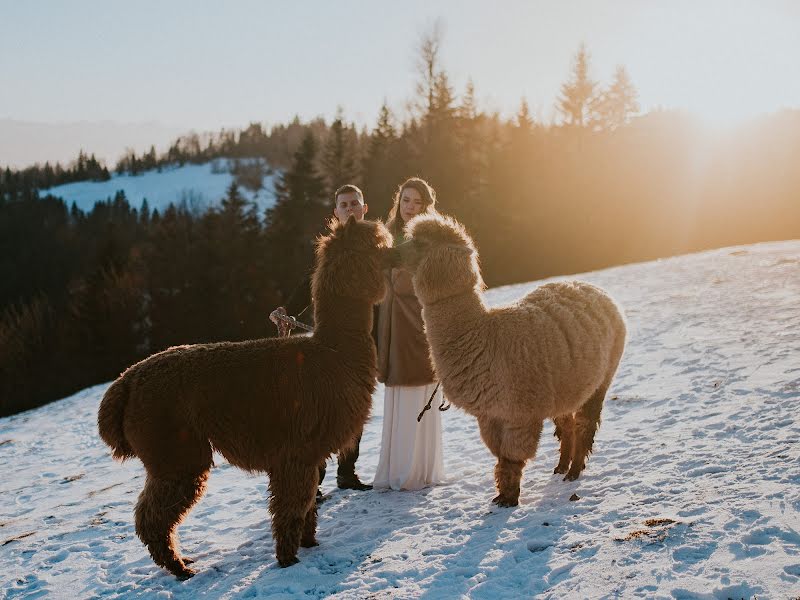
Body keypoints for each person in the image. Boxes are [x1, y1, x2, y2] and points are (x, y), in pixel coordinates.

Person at [270, 183, 372, 495]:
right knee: (326, 410)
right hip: (328, 342)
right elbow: (309, 283)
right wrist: (286, 309)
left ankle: (348, 472)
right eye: (344, 204)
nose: (350, 208)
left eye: (355, 203)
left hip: (363, 342)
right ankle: (316, 480)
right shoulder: (328, 249)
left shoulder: (374, 245)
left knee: (355, 406)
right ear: (336, 213)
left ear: (364, 208)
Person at [373, 177, 445, 491]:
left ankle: (416, 469)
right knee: (398, 393)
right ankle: (395, 467)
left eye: (417, 202)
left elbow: (431, 279)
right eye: (406, 200)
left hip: (417, 321)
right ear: (398, 202)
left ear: (426, 206)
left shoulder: (432, 237)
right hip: (391, 322)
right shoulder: (389, 234)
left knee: (417, 386)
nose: (410, 207)